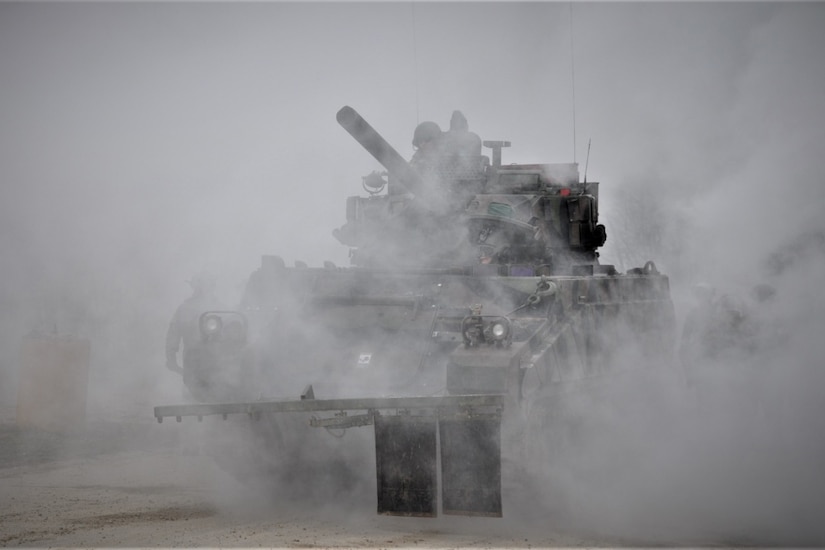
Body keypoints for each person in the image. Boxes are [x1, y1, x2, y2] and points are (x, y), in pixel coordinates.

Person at [165, 271, 223, 375]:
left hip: (218, 360)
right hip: (192, 360)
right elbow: (173, 334)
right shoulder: (184, 308)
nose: (204, 288)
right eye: (202, 284)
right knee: (192, 387)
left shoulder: (221, 307)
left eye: (208, 284)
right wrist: (171, 358)